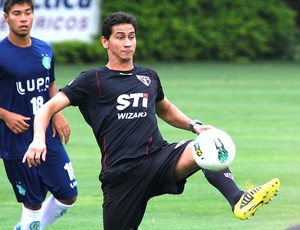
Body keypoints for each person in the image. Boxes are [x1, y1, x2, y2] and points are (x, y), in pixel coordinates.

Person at [23, 11, 280, 230]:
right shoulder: (92, 80)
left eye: (131, 37)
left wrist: (194, 126)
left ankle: (238, 199)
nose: (127, 43)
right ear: (105, 41)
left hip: (158, 158)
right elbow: (47, 108)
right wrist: (38, 139)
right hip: (121, 174)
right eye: (120, 37)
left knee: (207, 145)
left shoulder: (148, 76)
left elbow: (164, 109)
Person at [0, 0, 78, 229]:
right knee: (32, 202)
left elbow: (50, 85)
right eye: (17, 13)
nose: (23, 18)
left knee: (68, 193)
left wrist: (57, 113)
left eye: (27, 13)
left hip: (45, 134)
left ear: (33, 15)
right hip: (15, 138)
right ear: (7, 17)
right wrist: (5, 115)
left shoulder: (45, 49)